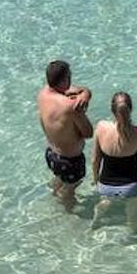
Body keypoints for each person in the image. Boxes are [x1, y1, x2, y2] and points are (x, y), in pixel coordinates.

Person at [91, 92, 137, 232]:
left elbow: (95, 160)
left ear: (112, 110)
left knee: (105, 200)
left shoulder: (101, 127)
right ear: (131, 109)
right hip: (132, 187)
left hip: (105, 186)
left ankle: (98, 217)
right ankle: (133, 234)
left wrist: (95, 180)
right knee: (133, 214)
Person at [37, 60, 93, 211]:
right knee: (70, 189)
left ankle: (54, 195)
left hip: (51, 154)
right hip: (70, 161)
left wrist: (86, 94)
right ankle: (68, 213)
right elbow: (88, 133)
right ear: (63, 80)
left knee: (59, 179)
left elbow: (78, 89)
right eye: (69, 76)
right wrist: (80, 112)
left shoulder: (43, 93)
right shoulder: (70, 106)